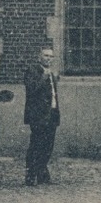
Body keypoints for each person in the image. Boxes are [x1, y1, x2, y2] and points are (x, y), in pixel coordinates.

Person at [23, 46, 61, 186]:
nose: (48, 59)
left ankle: (42, 174)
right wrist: (44, 76)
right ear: (39, 57)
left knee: (48, 145)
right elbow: (31, 89)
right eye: (46, 55)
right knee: (36, 144)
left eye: (51, 56)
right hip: (38, 116)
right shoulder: (32, 71)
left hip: (51, 114)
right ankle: (30, 175)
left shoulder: (52, 73)